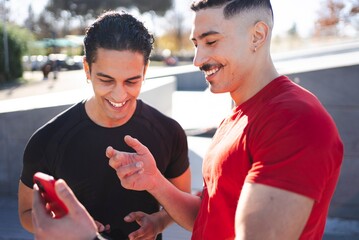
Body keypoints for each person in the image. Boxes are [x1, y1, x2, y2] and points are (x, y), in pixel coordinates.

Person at [31, 0, 344, 239]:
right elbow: (212, 215)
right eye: (196, 45)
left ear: (258, 36)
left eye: (210, 42)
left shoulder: (295, 120)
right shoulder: (239, 115)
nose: (197, 60)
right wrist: (154, 182)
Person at [19, 10, 191, 240]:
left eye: (131, 80)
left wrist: (158, 222)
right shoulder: (47, 140)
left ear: (145, 71)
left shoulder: (169, 132)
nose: (119, 94)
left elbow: (183, 197)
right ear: (87, 69)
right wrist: (67, 228)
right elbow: (26, 212)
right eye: (106, 80)